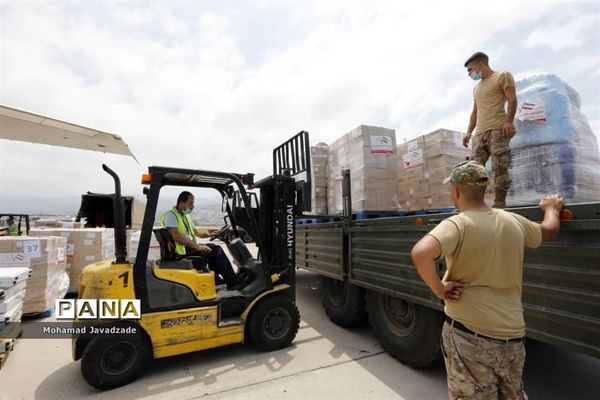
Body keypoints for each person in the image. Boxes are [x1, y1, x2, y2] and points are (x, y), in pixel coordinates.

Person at [410, 161, 563, 400]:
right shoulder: (513, 221)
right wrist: (552, 208)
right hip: (512, 336)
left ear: (456, 191)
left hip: (469, 335)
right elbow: (549, 231)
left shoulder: (457, 224)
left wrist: (439, 289)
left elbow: (420, 253)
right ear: (485, 191)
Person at [462, 51, 517, 208]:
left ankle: (499, 203)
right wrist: (468, 132)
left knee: (500, 167)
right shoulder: (476, 88)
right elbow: (475, 112)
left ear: (480, 64)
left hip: (498, 130)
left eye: (470, 70)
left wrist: (509, 121)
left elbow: (512, 99)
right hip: (480, 133)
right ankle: (475, 203)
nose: (469, 74)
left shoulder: (502, 76)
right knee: (474, 170)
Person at [160, 191, 239, 289]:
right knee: (216, 250)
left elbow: (196, 232)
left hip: (187, 249)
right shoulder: (171, 215)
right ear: (181, 204)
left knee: (212, 247)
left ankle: (216, 279)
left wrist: (212, 232)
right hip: (180, 253)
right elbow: (176, 236)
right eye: (191, 203)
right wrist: (198, 247)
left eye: (193, 203)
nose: (193, 206)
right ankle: (233, 283)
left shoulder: (185, 216)